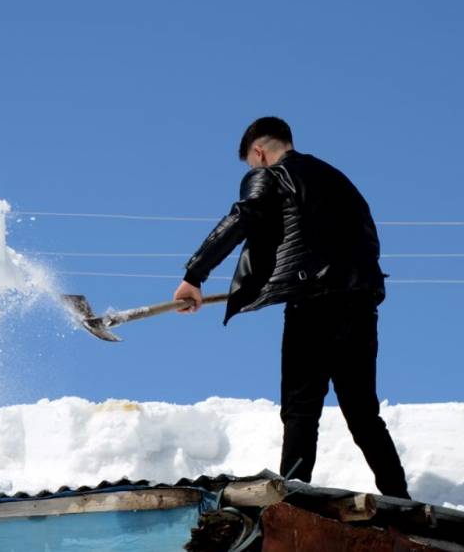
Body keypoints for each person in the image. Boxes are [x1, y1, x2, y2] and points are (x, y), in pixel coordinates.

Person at [173, 117, 410, 499]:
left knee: (301, 409)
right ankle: (399, 496)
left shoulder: (272, 174)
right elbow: (361, 241)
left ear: (259, 152)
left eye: (252, 165)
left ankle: (294, 496)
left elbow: (242, 218)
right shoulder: (339, 180)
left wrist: (194, 275)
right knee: (363, 413)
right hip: (361, 305)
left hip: (313, 306)